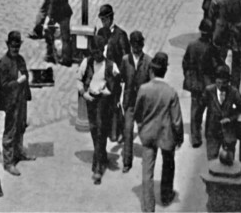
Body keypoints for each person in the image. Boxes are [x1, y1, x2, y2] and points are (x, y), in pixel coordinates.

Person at [134, 51, 184, 211]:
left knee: (147, 172)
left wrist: (142, 128)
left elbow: (137, 113)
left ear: (152, 70)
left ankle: (148, 207)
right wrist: (179, 137)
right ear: (165, 70)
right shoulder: (171, 92)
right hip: (166, 135)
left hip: (148, 134)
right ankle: (166, 195)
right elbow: (176, 120)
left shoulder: (143, 89)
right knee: (168, 164)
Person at [76, 34, 121, 184]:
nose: (95, 55)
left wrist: (111, 92)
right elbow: (78, 79)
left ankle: (97, 168)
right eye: (93, 52)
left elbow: (118, 84)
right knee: (94, 130)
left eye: (98, 52)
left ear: (103, 50)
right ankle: (102, 156)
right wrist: (83, 93)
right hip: (91, 101)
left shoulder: (110, 65)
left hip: (104, 102)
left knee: (101, 131)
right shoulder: (86, 62)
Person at [0, 31, 33, 176]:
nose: (15, 50)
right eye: (13, 47)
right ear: (8, 45)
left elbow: (25, 75)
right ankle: (8, 162)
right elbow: (3, 86)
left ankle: (19, 152)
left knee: (21, 126)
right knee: (10, 131)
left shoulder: (20, 59)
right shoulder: (3, 63)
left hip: (21, 99)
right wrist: (17, 82)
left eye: (18, 47)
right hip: (11, 101)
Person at [182, 19, 220, 149]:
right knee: (210, 109)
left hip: (194, 84)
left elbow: (185, 63)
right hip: (207, 84)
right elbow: (217, 66)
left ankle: (195, 137)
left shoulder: (192, 45)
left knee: (195, 111)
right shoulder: (211, 48)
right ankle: (209, 133)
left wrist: (189, 77)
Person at [199, 64, 241, 162]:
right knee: (211, 160)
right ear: (215, 80)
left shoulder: (234, 92)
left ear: (228, 82)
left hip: (229, 133)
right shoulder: (209, 90)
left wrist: (230, 119)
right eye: (218, 82)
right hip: (212, 132)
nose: (221, 86)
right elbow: (200, 109)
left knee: (229, 161)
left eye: (224, 83)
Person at [120, 30, 152, 172]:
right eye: (134, 45)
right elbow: (121, 78)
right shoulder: (126, 60)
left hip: (142, 104)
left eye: (139, 45)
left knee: (144, 132)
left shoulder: (148, 61)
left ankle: (147, 159)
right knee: (127, 131)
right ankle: (127, 162)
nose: (137, 48)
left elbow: (152, 83)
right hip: (129, 102)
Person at [38, 0, 73, 65]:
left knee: (48, 33)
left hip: (56, 14)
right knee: (65, 36)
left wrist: (47, 20)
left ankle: (50, 55)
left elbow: (51, 6)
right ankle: (67, 58)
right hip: (66, 13)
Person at [97, 2, 130, 68]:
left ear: (109, 19)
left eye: (103, 19)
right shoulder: (100, 32)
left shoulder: (121, 35)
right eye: (101, 19)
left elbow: (125, 59)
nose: (102, 22)